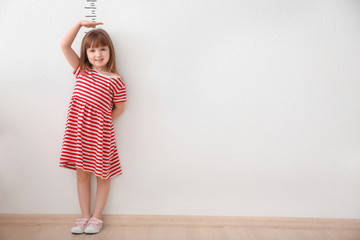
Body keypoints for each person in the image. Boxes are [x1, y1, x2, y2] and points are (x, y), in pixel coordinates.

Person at [59, 20, 127, 234]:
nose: (98, 54)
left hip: (100, 136)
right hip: (78, 135)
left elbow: (120, 109)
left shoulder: (116, 80)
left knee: (102, 175)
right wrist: (79, 24)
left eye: (102, 49)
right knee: (82, 174)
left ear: (110, 51)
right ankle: (85, 216)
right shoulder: (82, 71)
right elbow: (64, 45)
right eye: (92, 50)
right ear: (86, 54)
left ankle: (97, 217)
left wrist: (101, 124)